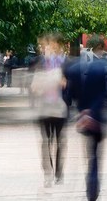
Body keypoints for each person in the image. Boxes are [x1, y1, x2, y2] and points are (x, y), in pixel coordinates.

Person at [64, 34, 107, 201]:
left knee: (89, 152)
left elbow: (69, 93)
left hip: (82, 116)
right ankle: (93, 185)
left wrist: (81, 110)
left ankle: (90, 183)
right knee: (95, 153)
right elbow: (106, 93)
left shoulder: (75, 67)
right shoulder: (102, 66)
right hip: (97, 117)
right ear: (101, 47)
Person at [30, 33, 68, 188]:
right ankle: (48, 173)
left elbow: (70, 85)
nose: (48, 49)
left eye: (52, 46)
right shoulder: (38, 63)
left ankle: (58, 172)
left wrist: (64, 83)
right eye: (46, 46)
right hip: (44, 108)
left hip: (59, 108)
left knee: (60, 142)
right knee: (46, 142)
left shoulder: (63, 63)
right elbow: (33, 87)